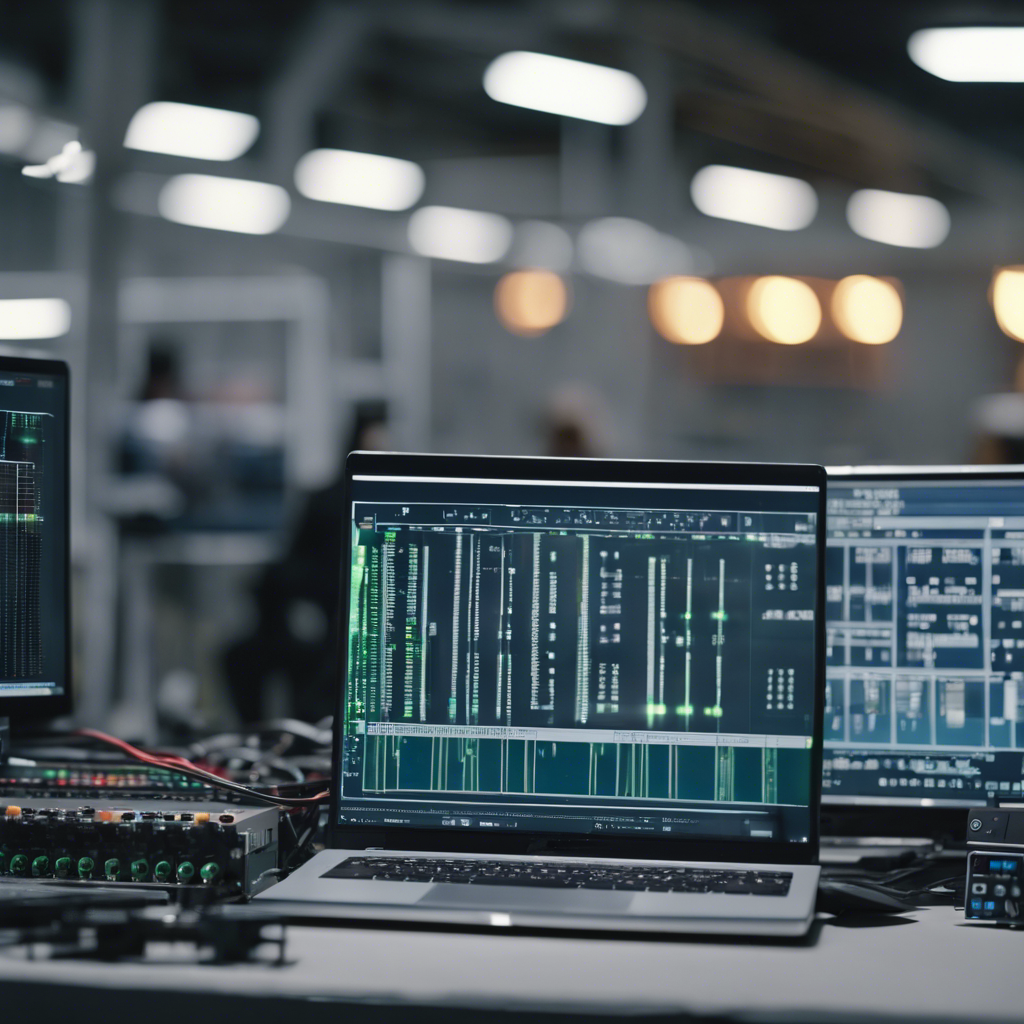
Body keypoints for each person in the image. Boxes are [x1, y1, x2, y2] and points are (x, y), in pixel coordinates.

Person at [222, 403, 389, 723]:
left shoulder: (390, 507)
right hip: (315, 617)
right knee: (244, 657)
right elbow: (292, 564)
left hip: (358, 627)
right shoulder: (326, 500)